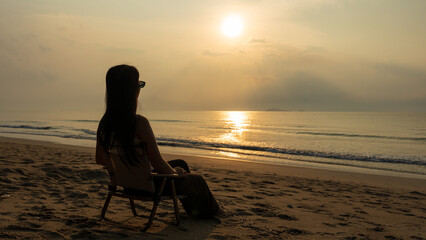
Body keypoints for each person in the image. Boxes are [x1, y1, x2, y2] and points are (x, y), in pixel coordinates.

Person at [95, 64, 220, 218]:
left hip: (126, 184)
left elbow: (100, 158)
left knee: (181, 162)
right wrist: (176, 173)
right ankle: (216, 213)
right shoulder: (139, 123)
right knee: (197, 180)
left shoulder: (105, 123)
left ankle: (195, 212)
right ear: (131, 90)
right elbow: (158, 164)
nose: (140, 88)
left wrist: (123, 170)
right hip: (147, 186)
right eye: (139, 84)